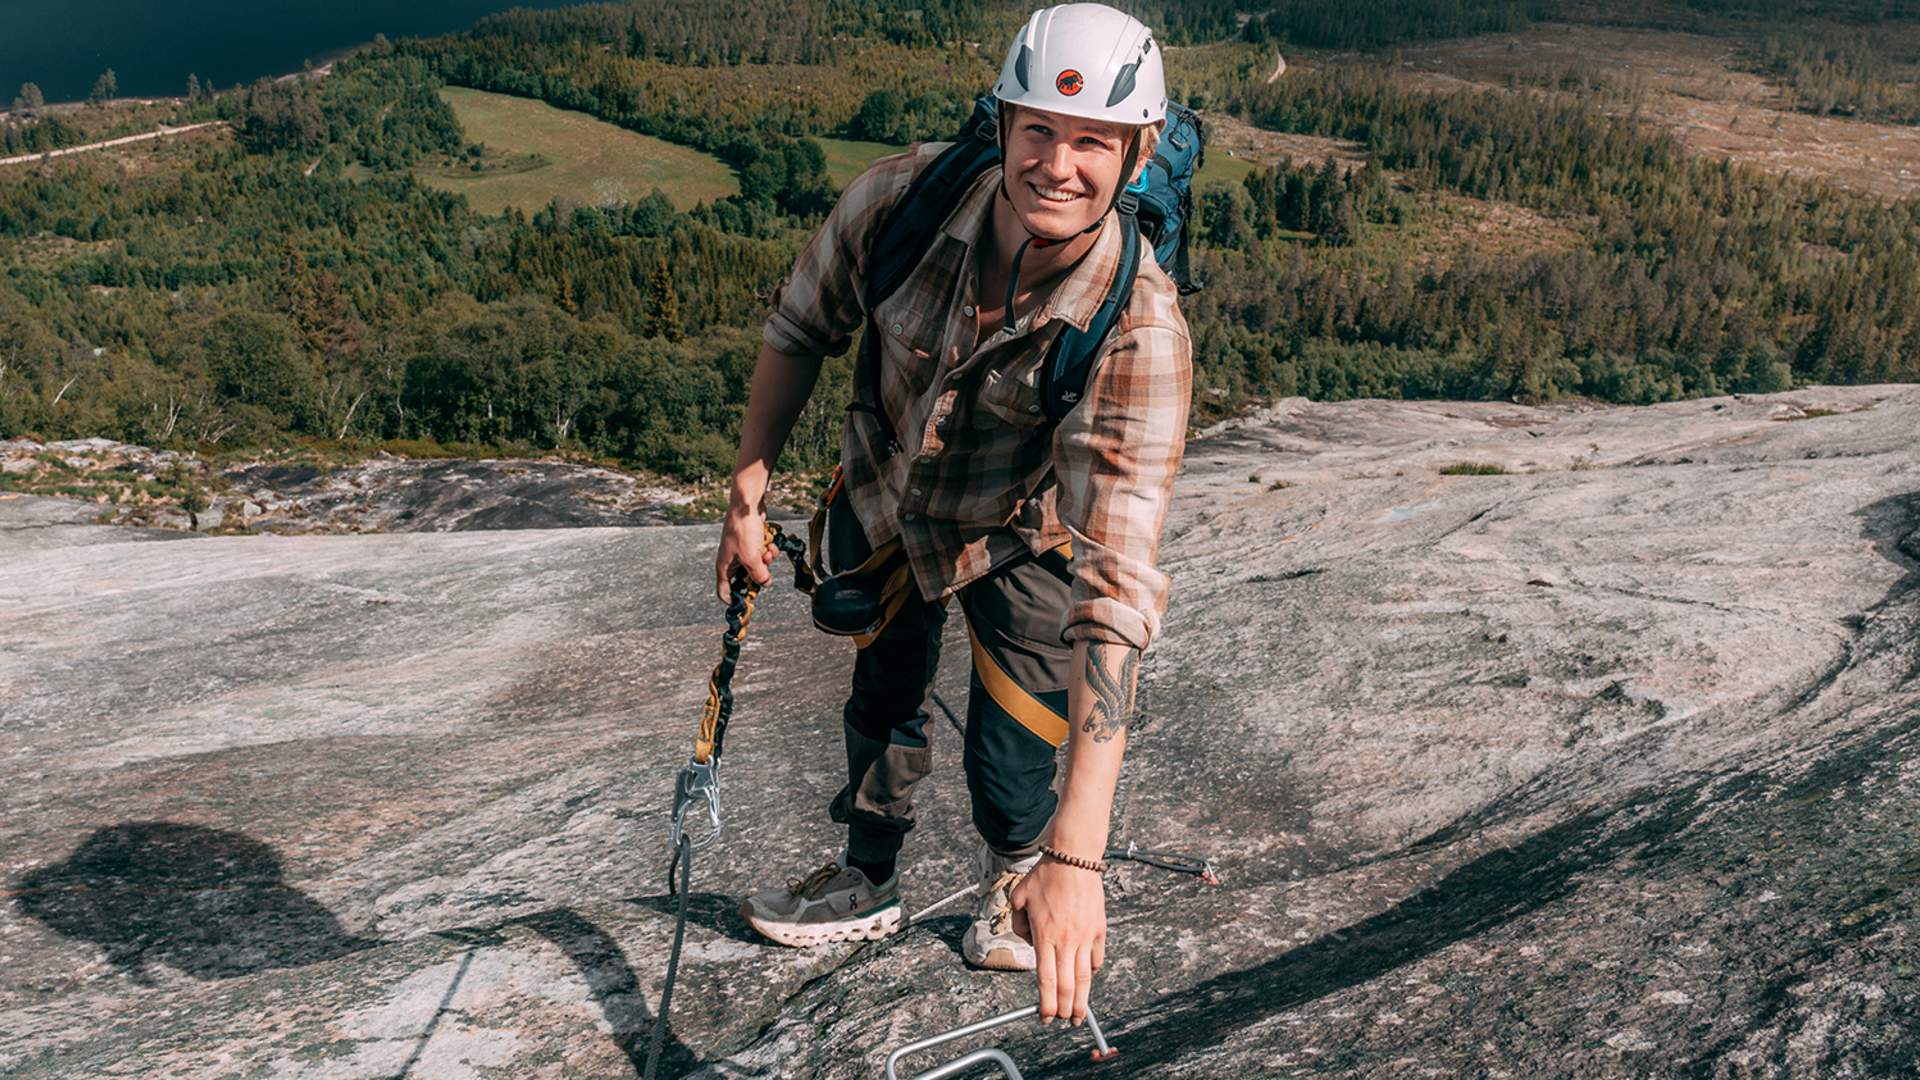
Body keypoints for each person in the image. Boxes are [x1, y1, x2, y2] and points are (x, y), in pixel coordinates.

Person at [712, 3, 1190, 1028]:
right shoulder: (904, 201)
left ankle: (1019, 880)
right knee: (881, 689)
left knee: (1016, 749)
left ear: (1139, 154)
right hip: (886, 485)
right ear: (1005, 122)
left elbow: (1117, 589)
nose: (1059, 165)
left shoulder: (1137, 329)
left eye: (1094, 144)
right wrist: (747, 488)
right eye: (1039, 131)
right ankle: (866, 872)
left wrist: (1076, 856)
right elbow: (801, 326)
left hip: (1023, 527)